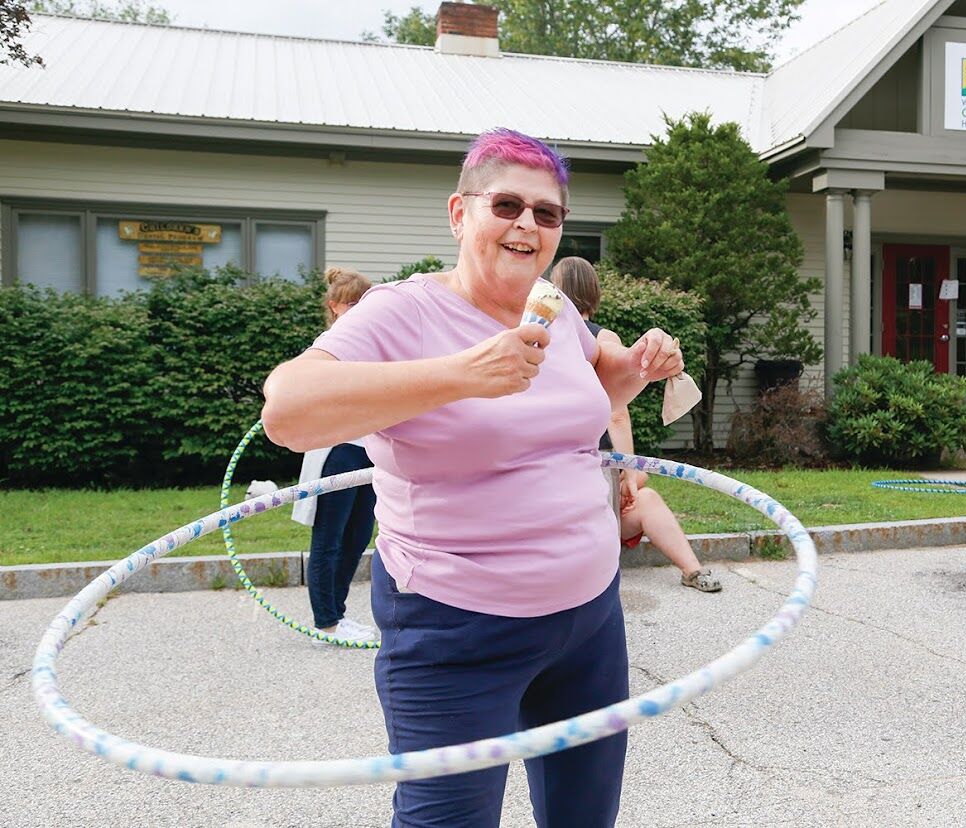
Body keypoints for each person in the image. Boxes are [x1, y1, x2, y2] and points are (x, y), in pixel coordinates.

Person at [261, 128, 685, 828]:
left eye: (546, 214)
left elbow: (590, 400)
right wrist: (463, 375)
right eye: (508, 205)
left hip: (589, 619)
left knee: (584, 819)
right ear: (461, 213)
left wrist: (637, 368)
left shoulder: (553, 304)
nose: (527, 225)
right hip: (456, 628)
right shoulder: (400, 310)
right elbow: (288, 412)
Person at [550, 256, 721, 592]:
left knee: (644, 497)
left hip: (566, 467)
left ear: (556, 291)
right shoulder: (601, 337)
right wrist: (627, 470)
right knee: (643, 496)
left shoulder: (544, 334)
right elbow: (617, 412)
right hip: (584, 468)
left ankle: (690, 571)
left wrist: (626, 473)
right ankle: (694, 570)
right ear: (594, 292)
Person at [289, 266, 377, 645]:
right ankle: (325, 623)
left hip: (369, 450)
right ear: (334, 306)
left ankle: (336, 614)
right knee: (330, 537)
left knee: (358, 535)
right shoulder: (328, 345)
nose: (359, 309)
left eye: (365, 302)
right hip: (337, 451)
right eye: (352, 303)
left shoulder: (375, 343)